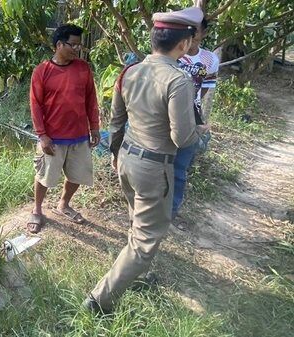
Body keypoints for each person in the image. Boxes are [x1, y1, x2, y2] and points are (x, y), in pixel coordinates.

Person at [82, 7, 203, 314]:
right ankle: (99, 300)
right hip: (154, 168)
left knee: (137, 222)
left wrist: (114, 155)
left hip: (126, 160)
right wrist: (199, 132)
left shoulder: (130, 72)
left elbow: (116, 122)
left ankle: (137, 274)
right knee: (145, 242)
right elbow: (181, 138)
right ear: (184, 44)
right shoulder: (178, 81)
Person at [26, 24, 101, 233]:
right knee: (44, 177)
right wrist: (42, 135)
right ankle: (37, 209)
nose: (77, 49)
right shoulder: (42, 72)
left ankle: (64, 204)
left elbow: (90, 99)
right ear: (59, 44)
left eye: (79, 46)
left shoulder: (83, 68)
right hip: (52, 138)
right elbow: (35, 105)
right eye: (73, 45)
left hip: (79, 136)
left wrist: (94, 127)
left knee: (77, 175)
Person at [172, 18, 220, 226]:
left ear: (204, 33)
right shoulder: (173, 53)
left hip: (192, 117)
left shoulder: (209, 59)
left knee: (180, 167)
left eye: (196, 30)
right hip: (168, 114)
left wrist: (193, 108)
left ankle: (171, 211)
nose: (191, 34)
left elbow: (206, 87)